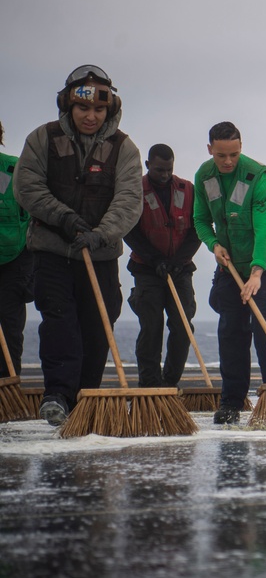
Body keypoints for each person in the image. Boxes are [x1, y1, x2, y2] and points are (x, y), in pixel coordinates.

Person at [13, 65, 142, 425]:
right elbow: (27, 188)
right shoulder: (42, 138)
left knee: (99, 323)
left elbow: (130, 200)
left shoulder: (124, 148)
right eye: (83, 109)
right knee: (59, 322)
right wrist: (64, 218)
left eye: (99, 110)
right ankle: (57, 394)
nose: (91, 116)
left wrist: (100, 233)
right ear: (68, 106)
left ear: (110, 109)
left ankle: (86, 396)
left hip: (100, 255)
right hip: (52, 251)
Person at [193, 121, 266, 425]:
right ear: (210, 150)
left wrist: (258, 271)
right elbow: (200, 220)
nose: (228, 161)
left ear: (241, 147)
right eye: (221, 155)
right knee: (230, 327)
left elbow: (262, 228)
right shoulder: (204, 176)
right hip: (230, 262)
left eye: (233, 153)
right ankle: (232, 401)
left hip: (265, 259)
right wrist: (213, 245)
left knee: (263, 319)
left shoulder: (257, 176)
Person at [123, 144, 201, 388]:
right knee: (151, 326)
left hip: (180, 269)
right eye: (159, 170)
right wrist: (154, 259)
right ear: (147, 166)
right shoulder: (134, 190)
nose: (165, 175)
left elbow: (198, 227)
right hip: (147, 270)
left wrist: (179, 261)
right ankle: (149, 386)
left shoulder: (188, 189)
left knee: (182, 326)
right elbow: (129, 231)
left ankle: (169, 383)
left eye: (169, 170)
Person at [0, 120, 33, 378]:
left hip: (14, 259)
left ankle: (9, 389)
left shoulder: (15, 168)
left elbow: (34, 214)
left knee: (10, 328)